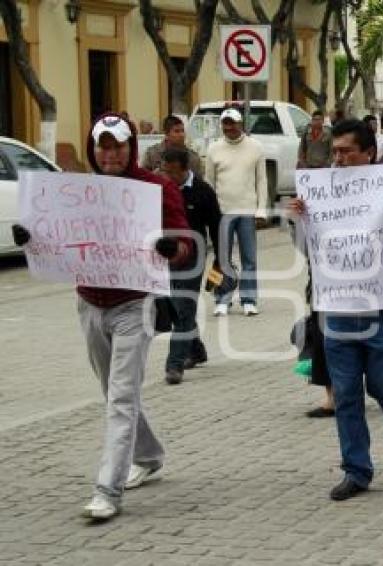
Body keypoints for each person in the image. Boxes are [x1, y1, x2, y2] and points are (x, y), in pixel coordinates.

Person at [12, 114, 193, 520]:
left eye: (118, 146)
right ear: (93, 149)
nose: (110, 154)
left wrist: (171, 248)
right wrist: (30, 239)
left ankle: (107, 489)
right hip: (90, 301)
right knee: (112, 391)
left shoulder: (155, 188)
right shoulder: (75, 188)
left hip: (134, 303)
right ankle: (148, 454)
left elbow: (186, 244)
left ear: (130, 148)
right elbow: (53, 233)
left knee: (122, 396)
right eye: (103, 146)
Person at [287, 118, 383, 502]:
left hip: (381, 305)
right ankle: (357, 469)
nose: (339, 158)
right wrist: (297, 220)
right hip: (336, 308)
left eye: (347, 151)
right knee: (346, 392)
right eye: (335, 151)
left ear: (369, 152)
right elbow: (306, 251)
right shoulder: (319, 190)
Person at [159, 147, 223, 385]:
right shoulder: (160, 189)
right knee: (175, 306)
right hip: (165, 253)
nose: (168, 177)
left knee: (184, 307)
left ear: (186, 170)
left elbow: (217, 228)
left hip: (193, 255)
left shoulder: (203, 192)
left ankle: (174, 365)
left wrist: (220, 263)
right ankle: (196, 349)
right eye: (165, 171)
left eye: (173, 173)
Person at [205, 107, 268, 317]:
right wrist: (211, 214)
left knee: (249, 258)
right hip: (222, 212)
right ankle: (222, 298)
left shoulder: (256, 147)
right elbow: (209, 183)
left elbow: (261, 180)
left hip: (248, 211)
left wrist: (261, 210)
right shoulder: (213, 149)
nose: (229, 127)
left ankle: (249, 299)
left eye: (233, 123)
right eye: (226, 123)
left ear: (241, 123)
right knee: (222, 257)